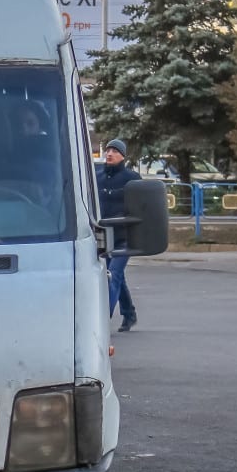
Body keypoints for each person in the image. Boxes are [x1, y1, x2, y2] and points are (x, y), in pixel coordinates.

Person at [95, 139, 139, 332]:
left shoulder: (132, 179)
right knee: (115, 276)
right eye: (108, 150)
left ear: (123, 155)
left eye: (114, 150)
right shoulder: (97, 178)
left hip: (124, 237)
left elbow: (142, 208)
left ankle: (103, 320)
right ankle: (129, 313)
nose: (109, 154)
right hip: (103, 236)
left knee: (113, 276)